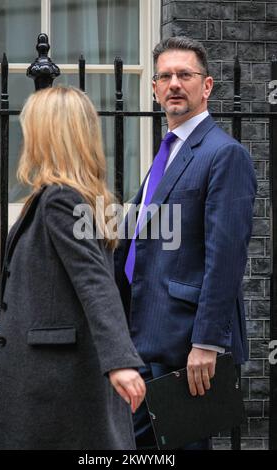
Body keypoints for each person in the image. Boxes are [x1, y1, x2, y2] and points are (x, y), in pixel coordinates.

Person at [115, 36, 257, 450]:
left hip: (185, 346)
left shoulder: (224, 154)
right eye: (165, 76)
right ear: (155, 88)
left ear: (207, 86)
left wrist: (206, 343)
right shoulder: (169, 152)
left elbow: (226, 257)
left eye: (185, 75)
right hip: (143, 333)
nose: (174, 83)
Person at [0, 86, 146, 450]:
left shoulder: (61, 199)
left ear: (47, 134)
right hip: (53, 374)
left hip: (54, 382)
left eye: (30, 128)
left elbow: (95, 282)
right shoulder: (69, 196)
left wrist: (120, 361)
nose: (24, 136)